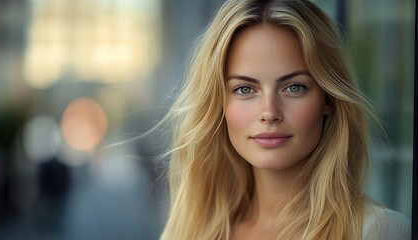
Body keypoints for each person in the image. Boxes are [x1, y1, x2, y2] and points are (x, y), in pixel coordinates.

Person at [159, 0, 411, 239]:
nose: (269, 112)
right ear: (218, 104)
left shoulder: (378, 232)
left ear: (328, 100)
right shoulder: (197, 227)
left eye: (294, 87)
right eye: (245, 89)